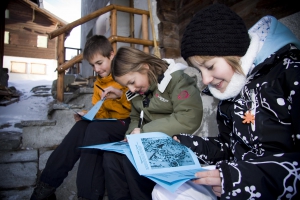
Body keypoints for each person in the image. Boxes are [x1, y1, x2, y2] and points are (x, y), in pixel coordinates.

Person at [152, 3, 300, 200]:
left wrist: (239, 180)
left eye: (210, 66)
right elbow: (229, 146)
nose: (205, 80)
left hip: (265, 187)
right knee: (164, 191)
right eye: (199, 71)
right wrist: (188, 145)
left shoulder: (289, 72)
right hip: (237, 182)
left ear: (234, 51)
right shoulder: (229, 91)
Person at [30, 35, 131, 200]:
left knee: (95, 130)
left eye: (99, 63)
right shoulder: (99, 82)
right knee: (81, 127)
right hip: (109, 124)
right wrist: (89, 115)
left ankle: (87, 195)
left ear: (111, 55)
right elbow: (102, 111)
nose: (96, 69)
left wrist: (120, 95)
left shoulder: (126, 71)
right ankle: (45, 186)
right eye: (93, 65)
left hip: (128, 123)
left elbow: (138, 104)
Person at [102, 46, 204, 200]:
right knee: (111, 156)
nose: (131, 89)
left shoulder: (177, 79)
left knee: (131, 161)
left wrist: (144, 133)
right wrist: (130, 135)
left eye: (132, 82)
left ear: (145, 66)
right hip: (149, 142)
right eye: (126, 86)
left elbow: (188, 117)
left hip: (176, 144)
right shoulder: (138, 90)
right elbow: (135, 117)